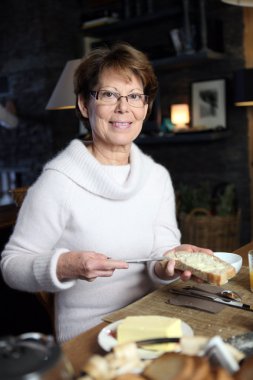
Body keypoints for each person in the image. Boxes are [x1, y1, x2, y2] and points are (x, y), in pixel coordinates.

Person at [1, 42, 212, 343]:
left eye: (135, 96)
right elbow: (12, 265)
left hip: (155, 318)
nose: (123, 108)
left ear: (146, 107)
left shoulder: (157, 178)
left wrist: (173, 260)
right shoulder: (58, 182)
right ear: (85, 105)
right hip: (90, 333)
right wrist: (63, 265)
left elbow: (157, 259)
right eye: (109, 95)